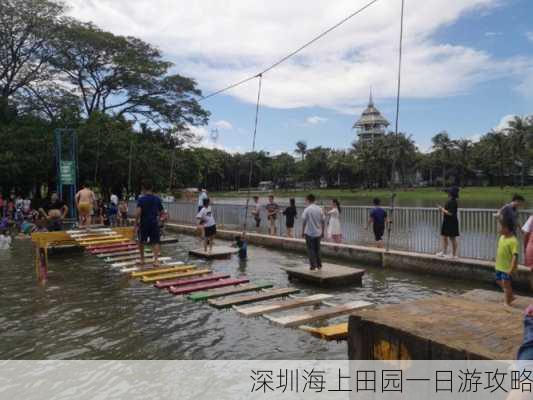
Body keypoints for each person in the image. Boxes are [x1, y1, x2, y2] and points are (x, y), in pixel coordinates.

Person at [135, 181, 163, 267]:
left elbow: (138, 213)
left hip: (144, 223)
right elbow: (161, 212)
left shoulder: (141, 199)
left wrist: (136, 223)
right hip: (154, 223)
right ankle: (156, 260)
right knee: (155, 242)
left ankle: (142, 259)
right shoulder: (157, 199)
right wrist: (160, 220)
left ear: (143, 189)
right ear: (152, 188)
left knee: (141, 241)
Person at [496, 222, 519, 306]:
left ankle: (507, 302)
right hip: (499, 265)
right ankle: (511, 295)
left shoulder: (513, 241)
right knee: (498, 280)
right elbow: (500, 250)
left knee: (506, 284)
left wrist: (512, 268)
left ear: (507, 229)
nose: (498, 229)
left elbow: (515, 256)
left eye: (500, 227)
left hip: (507, 267)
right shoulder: (501, 237)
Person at [301, 194, 325, 271]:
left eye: (306, 200)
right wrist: (323, 232)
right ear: (314, 200)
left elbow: (304, 221)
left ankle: (313, 266)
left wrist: (302, 231)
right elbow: (323, 221)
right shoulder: (320, 209)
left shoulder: (307, 209)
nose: (305, 201)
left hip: (309, 233)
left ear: (308, 200)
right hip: (318, 233)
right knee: (317, 249)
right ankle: (319, 265)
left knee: (310, 250)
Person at [436, 186, 460, 258]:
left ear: (451, 193)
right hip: (447, 221)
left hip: (451, 222)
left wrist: (441, 209)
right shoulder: (450, 200)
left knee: (452, 238)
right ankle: (443, 252)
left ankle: (454, 255)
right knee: (444, 237)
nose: (448, 193)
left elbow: (450, 213)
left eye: (449, 192)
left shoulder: (453, 201)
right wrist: (443, 209)